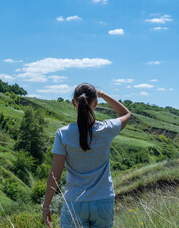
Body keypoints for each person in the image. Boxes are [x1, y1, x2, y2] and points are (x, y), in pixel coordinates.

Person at [42, 83, 131, 228]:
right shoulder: (106, 129)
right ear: (95, 103)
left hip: (75, 201)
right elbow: (126, 114)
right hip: (103, 200)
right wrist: (102, 94)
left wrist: (46, 205)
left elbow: (55, 174)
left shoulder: (63, 134)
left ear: (73, 103)